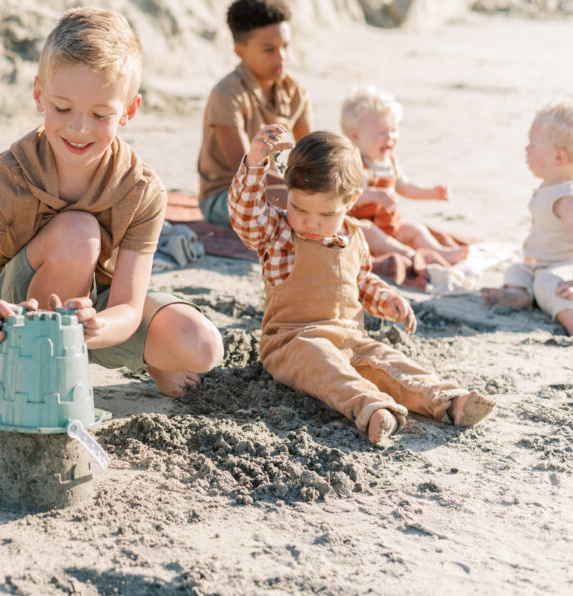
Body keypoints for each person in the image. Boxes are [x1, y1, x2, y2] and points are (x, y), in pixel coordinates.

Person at [0, 7, 223, 397]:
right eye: (62, 108)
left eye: (100, 114)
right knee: (79, 233)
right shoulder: (1, 178)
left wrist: (98, 327)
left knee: (202, 345)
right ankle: (41, 376)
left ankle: (143, 360)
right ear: (38, 95)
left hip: (96, 310)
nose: (79, 128)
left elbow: (127, 307)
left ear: (129, 110)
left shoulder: (142, 189)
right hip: (21, 312)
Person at [228, 125, 494, 444]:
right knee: (326, 368)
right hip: (292, 341)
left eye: (325, 213)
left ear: (351, 201)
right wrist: (255, 164)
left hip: (352, 339)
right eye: (299, 208)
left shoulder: (354, 236)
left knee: (387, 362)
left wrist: (387, 300)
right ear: (288, 193)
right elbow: (245, 215)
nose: (311, 222)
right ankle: (371, 407)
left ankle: (448, 401)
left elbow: (360, 281)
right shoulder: (280, 234)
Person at [196, 0, 312, 225]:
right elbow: (245, 171)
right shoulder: (227, 94)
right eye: (269, 50)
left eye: (286, 46)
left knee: (331, 197)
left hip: (278, 188)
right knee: (304, 206)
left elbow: (311, 152)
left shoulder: (295, 91)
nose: (281, 57)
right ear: (240, 50)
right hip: (228, 196)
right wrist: (304, 194)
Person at [340, 84, 467, 280]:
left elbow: (404, 186)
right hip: (360, 229)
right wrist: (374, 195)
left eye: (392, 130)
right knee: (368, 230)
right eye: (381, 132)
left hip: (390, 227)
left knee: (415, 229)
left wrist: (431, 193)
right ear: (355, 136)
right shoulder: (356, 163)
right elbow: (348, 198)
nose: (389, 137)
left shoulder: (389, 161)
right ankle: (411, 255)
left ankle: (440, 252)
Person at [481, 99, 573, 335]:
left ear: (558, 158)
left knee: (548, 285)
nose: (526, 149)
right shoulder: (550, 186)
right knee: (517, 271)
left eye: (532, 145)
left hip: (564, 269)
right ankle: (520, 295)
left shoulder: (566, 197)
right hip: (541, 265)